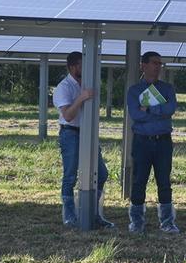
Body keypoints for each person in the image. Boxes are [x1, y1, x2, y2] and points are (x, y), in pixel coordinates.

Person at [52, 51, 113, 229]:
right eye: (81, 65)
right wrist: (81, 98)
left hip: (88, 133)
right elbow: (68, 116)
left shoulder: (87, 83)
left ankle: (94, 214)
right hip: (70, 134)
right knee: (70, 176)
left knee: (101, 174)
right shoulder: (63, 87)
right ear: (72, 67)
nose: (85, 68)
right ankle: (70, 217)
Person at [126, 51, 179, 233]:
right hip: (142, 141)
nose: (158, 67)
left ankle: (167, 222)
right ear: (143, 65)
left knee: (164, 181)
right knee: (139, 180)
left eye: (159, 64)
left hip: (163, 141)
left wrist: (148, 110)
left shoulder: (167, 88)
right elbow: (135, 114)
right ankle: (137, 222)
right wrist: (158, 111)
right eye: (154, 63)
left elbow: (170, 109)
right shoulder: (134, 91)